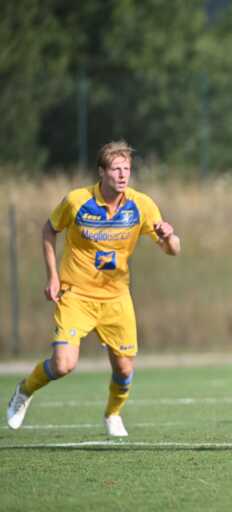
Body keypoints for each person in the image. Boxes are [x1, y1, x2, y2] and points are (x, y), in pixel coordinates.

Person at [6, 141, 181, 436]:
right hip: (76, 295)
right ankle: (24, 390)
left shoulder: (141, 204)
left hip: (116, 297)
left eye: (127, 169)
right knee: (63, 365)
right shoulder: (77, 201)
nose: (123, 175)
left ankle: (113, 414)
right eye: (116, 169)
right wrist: (52, 276)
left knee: (124, 369)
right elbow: (49, 229)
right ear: (101, 172)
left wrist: (169, 237)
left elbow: (173, 250)